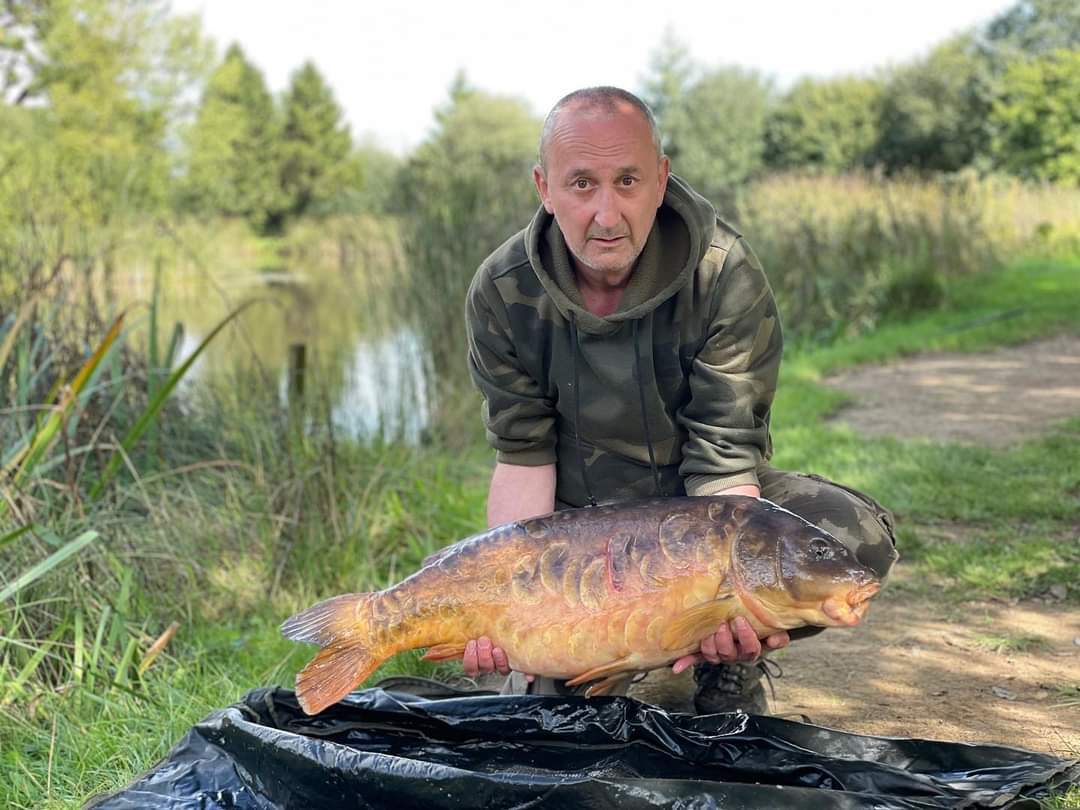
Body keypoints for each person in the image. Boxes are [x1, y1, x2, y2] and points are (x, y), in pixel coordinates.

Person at [460, 86, 897, 713]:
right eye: (582, 185)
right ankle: (567, 663)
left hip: (700, 507)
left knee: (848, 541)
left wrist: (729, 595)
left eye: (628, 181)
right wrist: (503, 597)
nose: (607, 215)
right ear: (543, 188)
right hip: (579, 522)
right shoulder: (503, 291)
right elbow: (524, 457)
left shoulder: (724, 273)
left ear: (662, 180)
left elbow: (723, 459)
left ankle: (724, 663)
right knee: (548, 707)